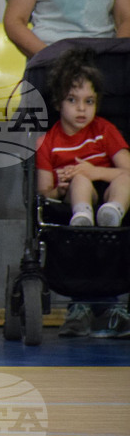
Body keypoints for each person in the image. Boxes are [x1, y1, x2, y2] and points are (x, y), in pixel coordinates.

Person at [36, 48, 130, 338]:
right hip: (74, 199)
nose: (81, 109)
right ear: (58, 102)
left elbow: (127, 170)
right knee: (78, 180)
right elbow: (44, 189)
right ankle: (82, 215)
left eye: (89, 101)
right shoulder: (49, 141)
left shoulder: (104, 130)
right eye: (72, 101)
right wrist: (62, 186)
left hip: (110, 192)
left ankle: (112, 211)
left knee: (122, 179)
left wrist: (94, 171)